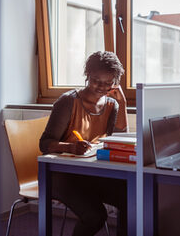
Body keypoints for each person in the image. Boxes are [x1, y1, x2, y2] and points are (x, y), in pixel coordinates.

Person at [39, 51, 128, 236]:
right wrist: (71, 147)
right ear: (87, 75)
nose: (102, 87)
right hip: (61, 175)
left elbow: (119, 141)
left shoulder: (112, 105)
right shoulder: (68, 102)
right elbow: (45, 143)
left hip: (90, 173)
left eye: (108, 82)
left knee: (131, 200)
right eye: (96, 80)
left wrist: (124, 104)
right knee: (95, 216)